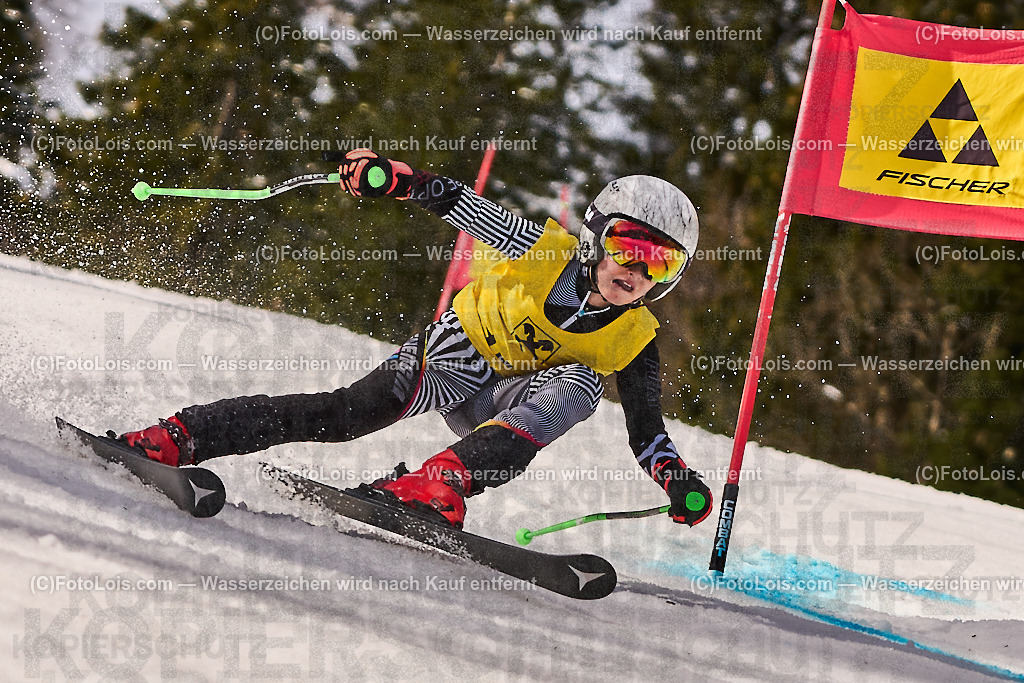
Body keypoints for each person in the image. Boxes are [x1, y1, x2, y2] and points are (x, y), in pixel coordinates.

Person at [121, 149, 713, 530]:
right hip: (453, 357)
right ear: (597, 236)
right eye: (629, 245)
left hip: (506, 405)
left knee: (581, 384)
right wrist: (399, 182)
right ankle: (180, 436)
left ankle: (440, 480)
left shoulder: (635, 337)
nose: (636, 270)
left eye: (660, 264)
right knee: (346, 414)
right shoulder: (544, 250)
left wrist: (677, 480)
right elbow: (465, 206)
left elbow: (648, 431)